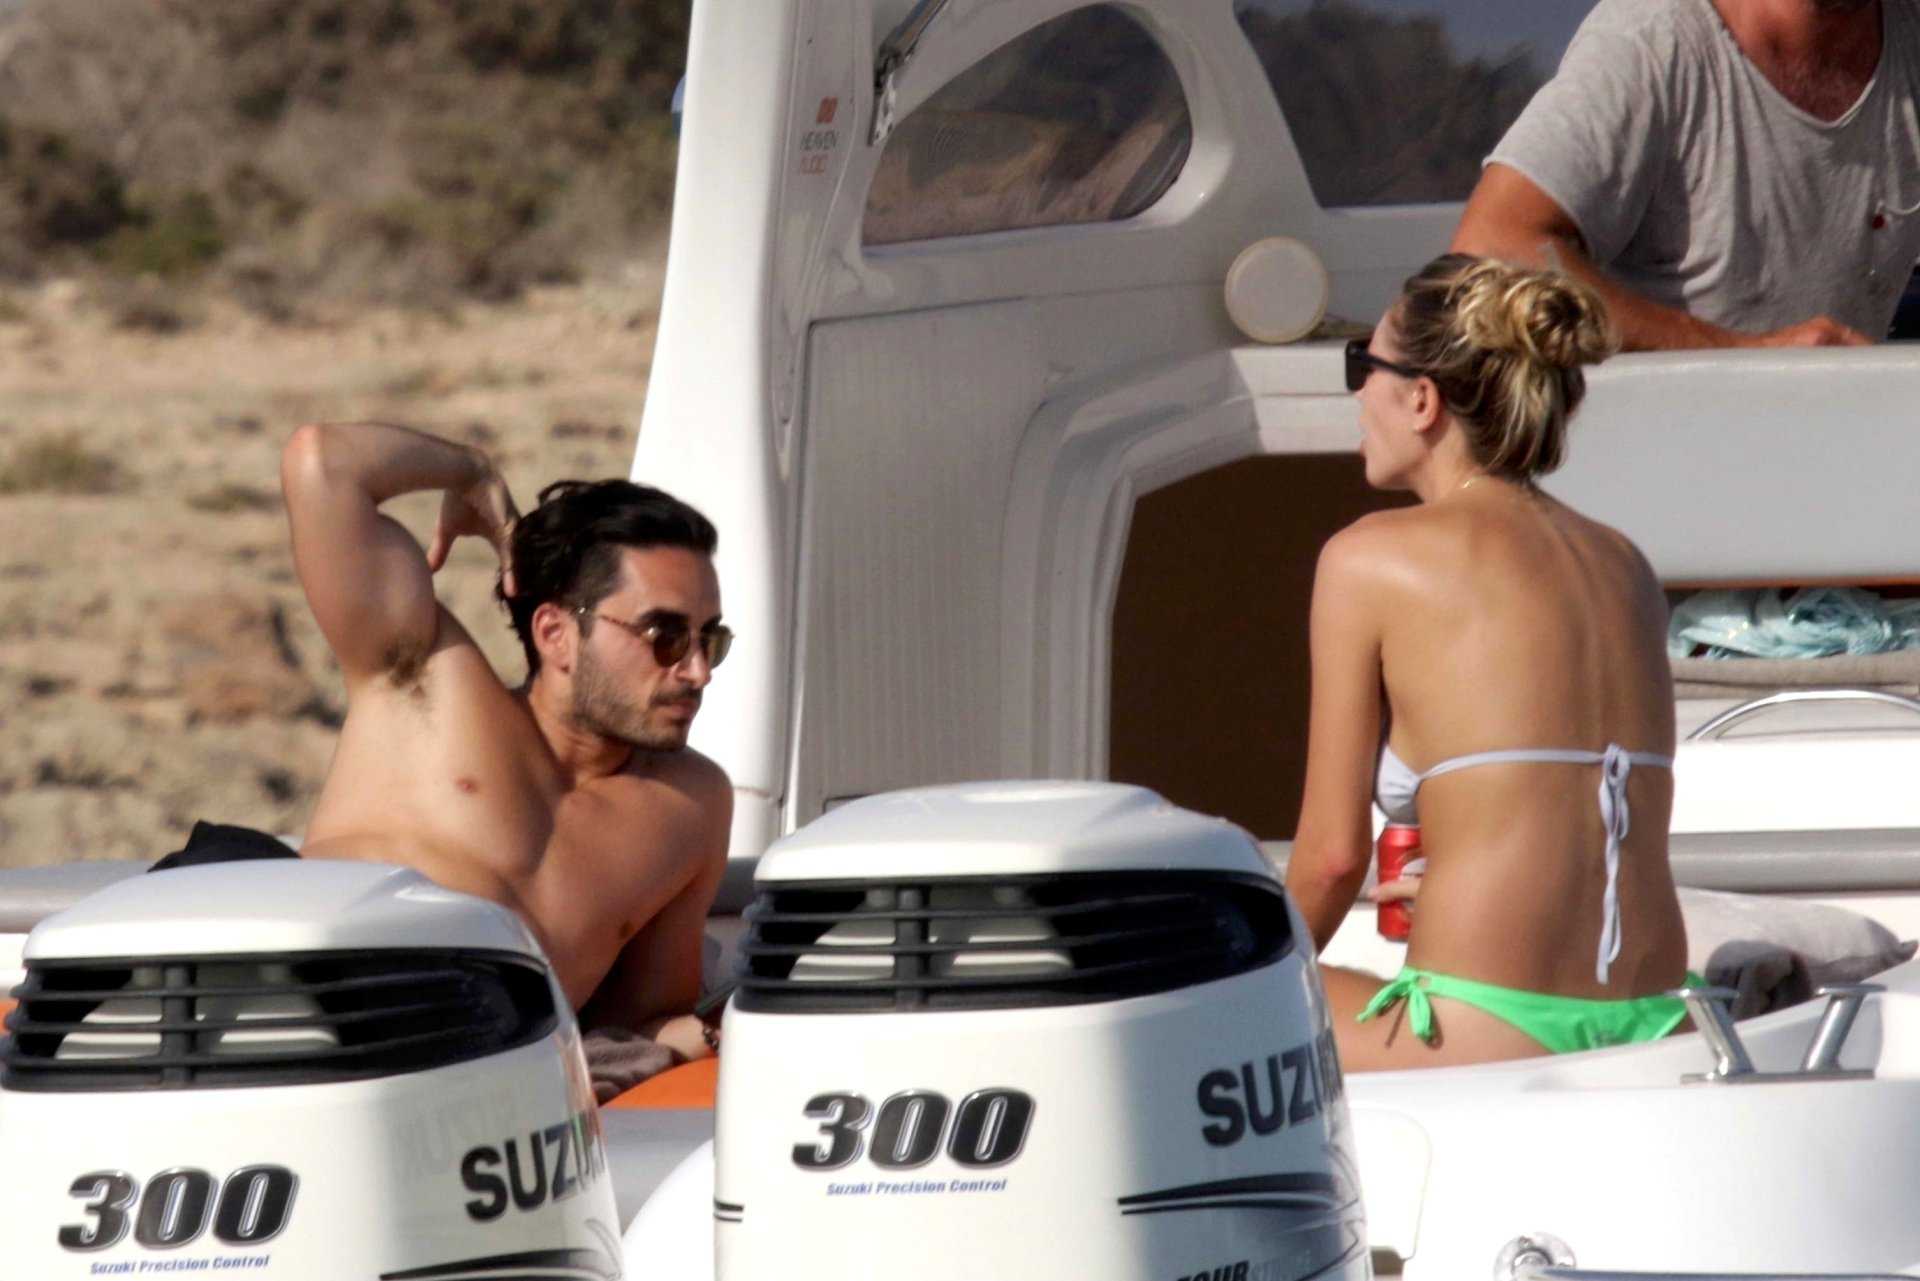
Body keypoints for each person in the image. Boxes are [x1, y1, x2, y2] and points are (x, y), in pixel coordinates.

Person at [1285, 255, 1690, 1071]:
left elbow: (1332, 859)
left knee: (1197, 992)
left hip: (1484, 1026)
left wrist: (1233, 981)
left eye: (1364, 365)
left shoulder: (1368, 558)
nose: (1357, 395)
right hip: (1657, 1016)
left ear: (1422, 399)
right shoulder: (1624, 563)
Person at [277, 420, 733, 1074]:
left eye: (710, 639)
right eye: (666, 637)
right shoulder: (426, 681)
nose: (698, 671)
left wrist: (742, 1024)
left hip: (483, 1094)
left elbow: (640, 1027)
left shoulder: (688, 806)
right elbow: (320, 463)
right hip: (304, 1044)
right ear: (555, 633)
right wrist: (471, 471)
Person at [1450, 0, 1920, 351]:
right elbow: (1489, 249)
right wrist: (1746, 355)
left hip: (1840, 438)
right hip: (1653, 440)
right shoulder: (1652, 40)